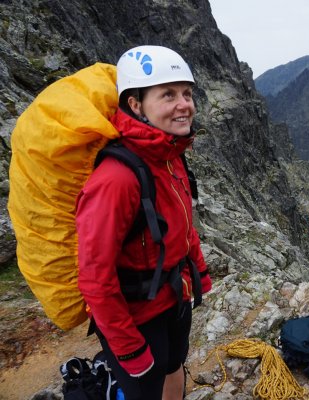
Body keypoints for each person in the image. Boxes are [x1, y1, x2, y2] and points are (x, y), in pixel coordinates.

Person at [76, 45, 212, 400]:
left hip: (175, 296)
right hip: (137, 316)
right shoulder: (115, 180)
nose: (184, 104)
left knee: (174, 366)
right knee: (145, 390)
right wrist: (127, 346)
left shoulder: (171, 155)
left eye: (186, 93)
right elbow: (94, 275)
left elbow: (182, 224)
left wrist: (199, 268)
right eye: (168, 94)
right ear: (135, 105)